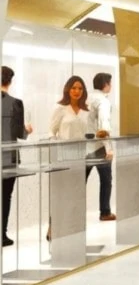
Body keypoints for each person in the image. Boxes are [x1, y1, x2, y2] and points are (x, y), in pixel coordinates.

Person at [49, 76, 92, 242]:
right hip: (63, 157)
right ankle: (54, 227)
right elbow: (51, 132)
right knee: (62, 195)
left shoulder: (85, 111)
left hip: (80, 157)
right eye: (74, 88)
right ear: (68, 89)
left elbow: (87, 134)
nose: (77, 91)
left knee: (76, 195)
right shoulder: (60, 108)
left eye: (80, 88)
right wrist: (56, 150)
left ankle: (73, 227)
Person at [1, 66, 33, 246]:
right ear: (10, 81)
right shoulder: (16, 103)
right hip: (8, 158)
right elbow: (19, 133)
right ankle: (1, 234)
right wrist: (27, 130)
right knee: (5, 196)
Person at [85, 72, 116, 222]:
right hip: (98, 147)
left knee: (80, 181)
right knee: (106, 180)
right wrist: (108, 148)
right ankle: (105, 212)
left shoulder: (87, 98)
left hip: (84, 146)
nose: (111, 86)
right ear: (105, 84)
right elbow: (103, 126)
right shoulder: (103, 101)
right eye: (110, 83)